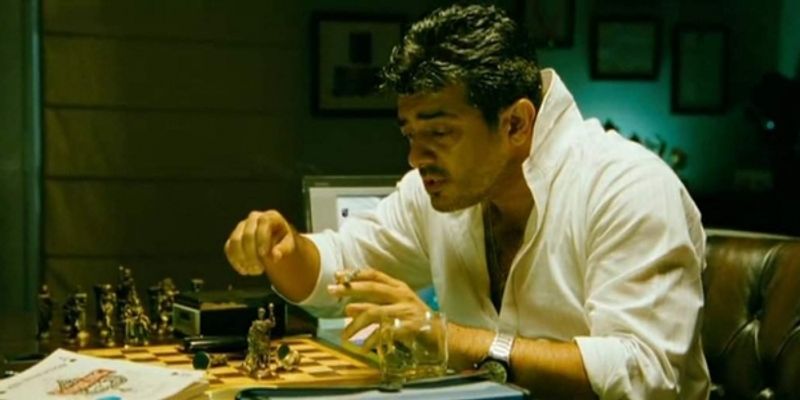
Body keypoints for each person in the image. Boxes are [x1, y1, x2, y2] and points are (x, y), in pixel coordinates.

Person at [225, 4, 709, 398]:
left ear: (515, 124)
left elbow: (645, 376)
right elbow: (343, 264)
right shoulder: (441, 192)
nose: (416, 158)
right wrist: (285, 249)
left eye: (439, 133)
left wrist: (447, 339)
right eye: (410, 134)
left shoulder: (628, 188)